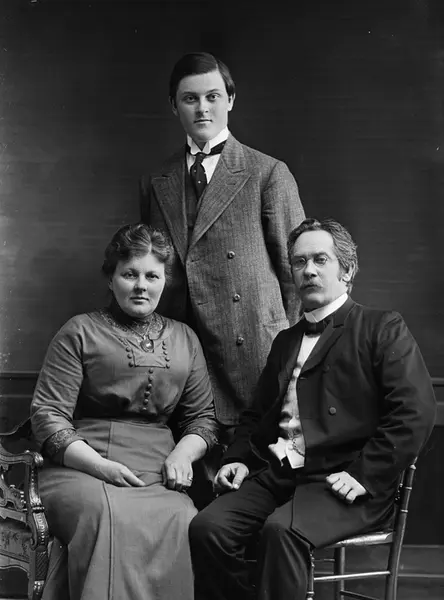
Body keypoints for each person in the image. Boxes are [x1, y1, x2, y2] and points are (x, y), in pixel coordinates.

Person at [189, 217, 436, 600]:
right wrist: (237, 458)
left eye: (321, 260)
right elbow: (256, 416)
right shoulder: (286, 341)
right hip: (280, 475)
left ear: (347, 270)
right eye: (300, 262)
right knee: (208, 528)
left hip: (345, 481)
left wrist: (364, 474)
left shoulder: (381, 327)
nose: (309, 270)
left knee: (281, 531)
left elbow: (415, 411)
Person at [30, 223, 218, 600]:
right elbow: (48, 416)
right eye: (130, 274)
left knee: (182, 517)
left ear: (165, 281)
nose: (141, 286)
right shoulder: (79, 331)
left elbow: (202, 419)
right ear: (111, 278)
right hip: (81, 467)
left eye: (152, 276)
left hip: (157, 470)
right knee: (107, 513)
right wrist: (101, 467)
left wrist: (183, 454)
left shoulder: (185, 338)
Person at [140, 52, 305, 437]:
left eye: (212, 97)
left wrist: (289, 360)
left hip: (254, 355)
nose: (202, 108)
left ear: (230, 100)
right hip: (181, 358)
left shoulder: (267, 173)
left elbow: (296, 273)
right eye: (190, 98)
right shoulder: (155, 180)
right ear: (174, 106)